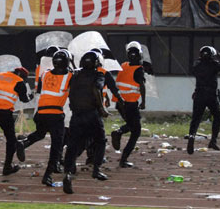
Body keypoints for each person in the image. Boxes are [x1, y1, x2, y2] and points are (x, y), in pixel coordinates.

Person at [16, 50, 72, 187]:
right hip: (56, 113)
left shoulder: (45, 74)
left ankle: (24, 143)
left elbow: (39, 93)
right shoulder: (70, 76)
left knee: (40, 133)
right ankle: (48, 175)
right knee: (56, 146)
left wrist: (36, 112)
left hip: (41, 111)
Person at [62, 51, 109, 195]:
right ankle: (96, 170)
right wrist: (102, 108)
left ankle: (68, 173)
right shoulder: (98, 75)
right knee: (100, 140)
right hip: (91, 113)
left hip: (76, 114)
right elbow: (96, 88)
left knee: (73, 144)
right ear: (96, 62)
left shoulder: (74, 75)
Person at [187, 46, 220, 154]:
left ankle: (191, 137)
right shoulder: (214, 64)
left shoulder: (197, 65)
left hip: (199, 94)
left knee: (196, 118)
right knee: (217, 116)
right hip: (211, 95)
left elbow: (195, 72)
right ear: (212, 54)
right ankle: (213, 140)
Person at [110, 42, 147, 168]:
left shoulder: (123, 65)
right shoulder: (139, 69)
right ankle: (123, 157)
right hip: (131, 103)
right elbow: (141, 86)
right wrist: (143, 102)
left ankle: (119, 133)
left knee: (132, 126)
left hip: (120, 103)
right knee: (136, 131)